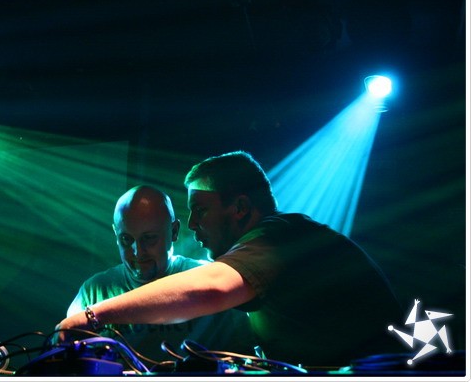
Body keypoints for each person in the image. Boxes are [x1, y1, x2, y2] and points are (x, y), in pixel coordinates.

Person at [56, 152, 402, 367]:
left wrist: (94, 315)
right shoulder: (287, 235)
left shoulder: (277, 237)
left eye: (200, 210)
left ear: (239, 208)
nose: (193, 224)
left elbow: (210, 288)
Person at [65, 185, 256, 362]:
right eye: (126, 239)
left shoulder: (210, 280)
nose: (138, 252)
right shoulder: (93, 292)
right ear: (115, 234)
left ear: (174, 231)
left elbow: (245, 361)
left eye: (149, 238)